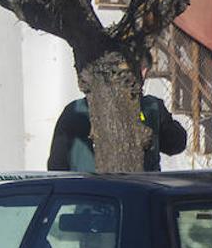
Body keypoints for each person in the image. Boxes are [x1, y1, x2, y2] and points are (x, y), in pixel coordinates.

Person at [47, 51, 187, 172]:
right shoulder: (76, 111)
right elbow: (57, 164)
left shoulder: (152, 107)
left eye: (145, 69)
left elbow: (175, 144)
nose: (142, 75)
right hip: (92, 197)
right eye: (138, 68)